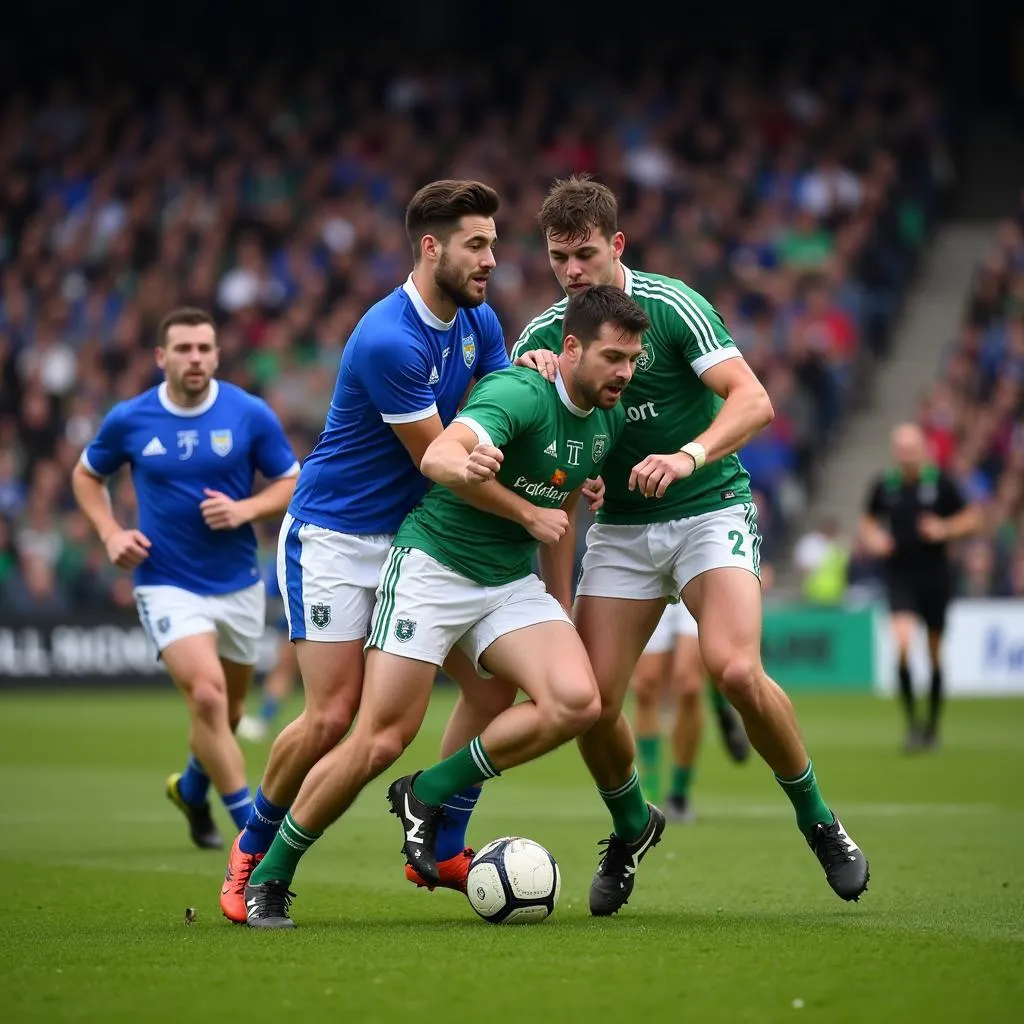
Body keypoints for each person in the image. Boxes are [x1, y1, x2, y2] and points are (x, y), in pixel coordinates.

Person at [499, 174, 869, 915]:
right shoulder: (542, 336)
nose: (572, 271)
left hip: (707, 507)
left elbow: (754, 399)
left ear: (618, 246)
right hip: (623, 530)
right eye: (558, 257)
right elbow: (535, 440)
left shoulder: (671, 307)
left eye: (585, 254)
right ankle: (631, 826)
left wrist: (687, 455)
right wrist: (551, 424)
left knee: (733, 669)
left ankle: (820, 820)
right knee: (592, 703)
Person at [217, 179, 584, 922]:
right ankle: (254, 851)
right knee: (334, 718)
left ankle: (440, 835)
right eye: (476, 244)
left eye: (491, 241)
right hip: (339, 536)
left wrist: (533, 380)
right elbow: (444, 459)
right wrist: (535, 508)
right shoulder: (390, 337)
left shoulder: (480, 319)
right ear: (429, 247)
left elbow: (498, 416)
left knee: (488, 691)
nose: (492, 259)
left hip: (422, 539)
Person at [241, 284, 648, 928]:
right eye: (612, 358)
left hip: (509, 584)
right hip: (433, 568)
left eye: (632, 359)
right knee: (378, 737)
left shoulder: (607, 416)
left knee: (578, 701)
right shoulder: (517, 392)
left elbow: (561, 513)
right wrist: (508, 498)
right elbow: (441, 452)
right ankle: (272, 873)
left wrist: (560, 608)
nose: (624, 373)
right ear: (569, 349)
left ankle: (425, 794)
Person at [71, 307, 299, 850]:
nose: (194, 358)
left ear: (217, 355)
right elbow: (86, 475)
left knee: (229, 710)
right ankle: (252, 836)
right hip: (165, 580)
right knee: (206, 696)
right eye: (183, 349)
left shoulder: (249, 413)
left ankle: (192, 790)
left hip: (239, 583)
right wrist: (109, 533)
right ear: (161, 357)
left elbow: (291, 482)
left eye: (204, 348)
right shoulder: (130, 418)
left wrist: (245, 510)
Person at [859, 422, 982, 750]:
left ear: (922, 450)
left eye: (912, 450)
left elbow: (972, 518)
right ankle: (913, 725)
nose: (907, 456)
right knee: (901, 644)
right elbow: (868, 522)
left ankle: (932, 727)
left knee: (934, 652)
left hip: (935, 576)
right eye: (901, 450)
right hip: (900, 576)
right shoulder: (885, 485)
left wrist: (944, 528)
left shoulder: (941, 484)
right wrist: (875, 539)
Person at [631, 601, 750, 823]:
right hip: (652, 578)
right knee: (645, 686)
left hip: (689, 581)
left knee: (688, 687)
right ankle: (650, 791)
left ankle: (678, 792)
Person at [236, 558, 297, 743]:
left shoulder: (289, 545)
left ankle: (264, 720)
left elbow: (275, 589)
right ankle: (264, 719)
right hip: (295, 617)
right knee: (284, 670)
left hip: (299, 615)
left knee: (284, 670)